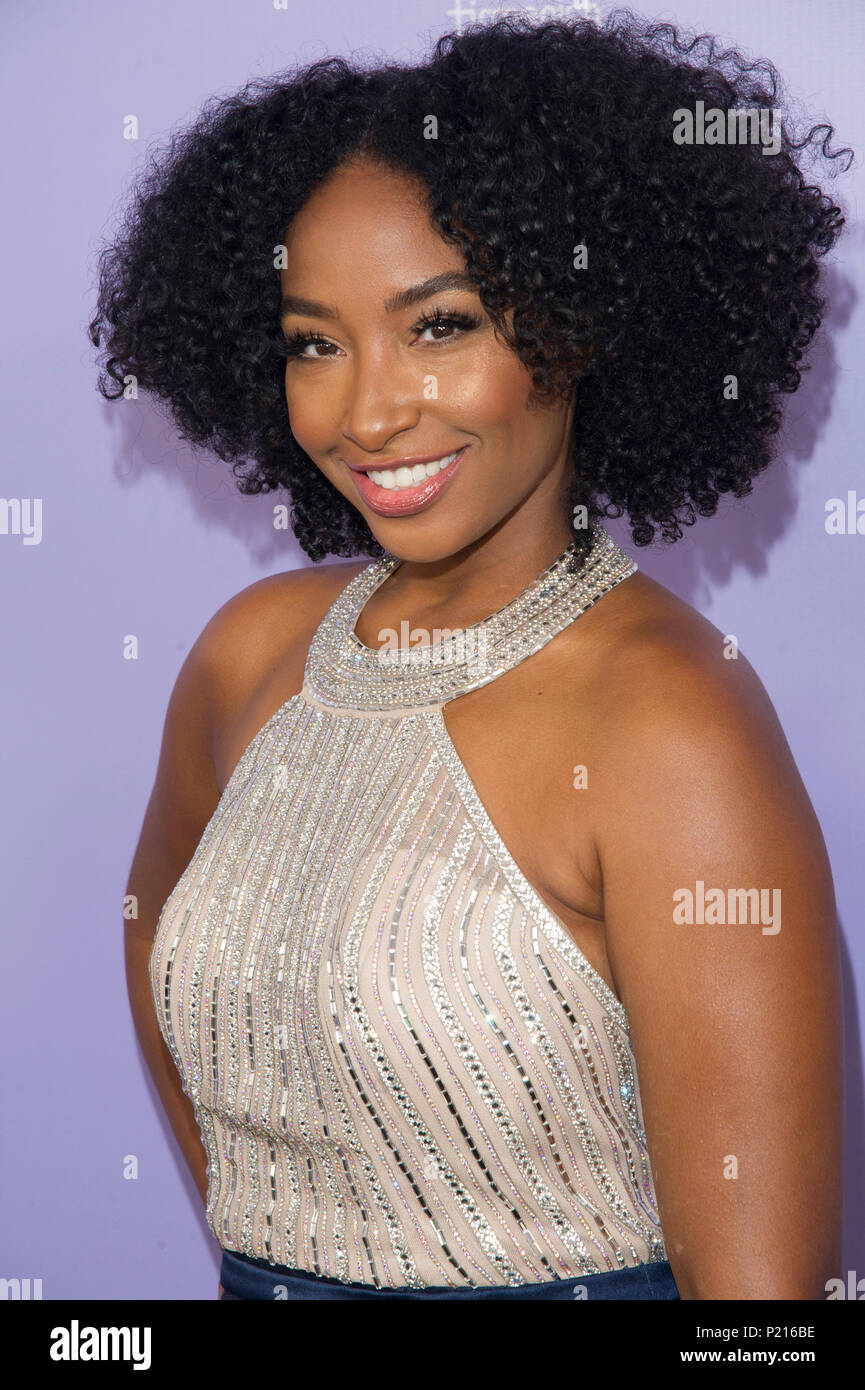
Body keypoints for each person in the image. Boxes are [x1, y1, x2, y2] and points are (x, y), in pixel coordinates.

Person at [90, 11, 850, 1300]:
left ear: (580, 320)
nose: (369, 409)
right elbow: (167, 976)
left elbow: (764, 1315)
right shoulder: (250, 658)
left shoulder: (669, 719)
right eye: (313, 342)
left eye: (440, 325)